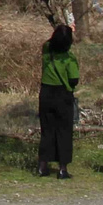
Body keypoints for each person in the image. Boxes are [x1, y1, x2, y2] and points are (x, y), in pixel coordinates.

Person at [37, 23, 79, 178]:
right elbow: (74, 79)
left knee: (47, 130)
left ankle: (42, 165)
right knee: (64, 131)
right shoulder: (69, 58)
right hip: (63, 94)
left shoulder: (47, 51)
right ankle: (63, 168)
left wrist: (61, 31)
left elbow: (49, 41)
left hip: (46, 93)